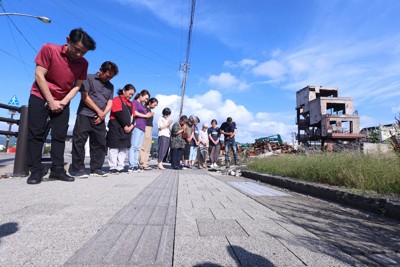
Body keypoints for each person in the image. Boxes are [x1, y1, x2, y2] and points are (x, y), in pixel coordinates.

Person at [26, 28, 96, 185]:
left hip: (63, 100)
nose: (79, 55)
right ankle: (35, 171)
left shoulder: (83, 63)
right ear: (68, 40)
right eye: (77, 49)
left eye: (83, 52)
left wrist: (63, 102)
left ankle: (57, 170)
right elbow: (39, 75)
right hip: (40, 96)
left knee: (59, 136)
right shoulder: (49, 49)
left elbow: (77, 85)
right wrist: (51, 101)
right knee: (36, 134)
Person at [69, 61, 118, 178]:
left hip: (100, 118)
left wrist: (103, 114)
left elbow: (110, 101)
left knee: (100, 143)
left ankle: (96, 168)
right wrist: (99, 112)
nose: (108, 79)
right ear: (101, 70)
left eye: (111, 77)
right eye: (107, 76)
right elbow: (85, 97)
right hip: (85, 114)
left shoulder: (110, 86)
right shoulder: (88, 78)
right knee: (79, 141)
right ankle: (79, 169)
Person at [106, 84, 136, 174]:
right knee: (114, 147)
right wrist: (125, 126)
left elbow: (133, 116)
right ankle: (113, 166)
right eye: (130, 94)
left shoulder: (130, 103)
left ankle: (120, 166)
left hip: (127, 128)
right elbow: (118, 113)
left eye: (132, 95)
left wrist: (131, 126)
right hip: (116, 127)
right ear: (124, 91)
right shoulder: (117, 99)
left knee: (123, 149)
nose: (131, 96)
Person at [128, 90, 154, 173]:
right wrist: (146, 115)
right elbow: (134, 112)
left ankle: (135, 164)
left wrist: (148, 116)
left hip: (142, 127)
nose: (146, 101)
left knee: (138, 147)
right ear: (140, 95)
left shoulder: (142, 105)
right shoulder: (135, 102)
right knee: (134, 146)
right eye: (145, 98)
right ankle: (131, 165)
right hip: (137, 126)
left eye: (147, 100)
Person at [139, 97, 158, 170]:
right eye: (154, 104)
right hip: (146, 127)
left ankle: (145, 162)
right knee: (144, 146)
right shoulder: (145, 109)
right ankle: (142, 163)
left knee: (148, 146)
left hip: (150, 128)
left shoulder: (149, 110)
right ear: (150, 102)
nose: (154, 106)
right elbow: (142, 119)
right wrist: (148, 115)